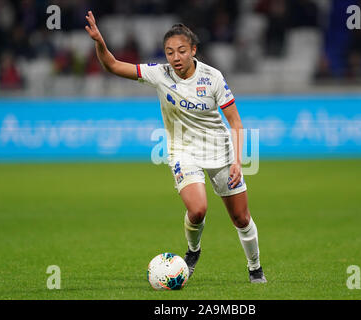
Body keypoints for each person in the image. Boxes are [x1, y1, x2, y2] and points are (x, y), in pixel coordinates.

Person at [85, 11, 266, 283]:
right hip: (182, 151)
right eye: (170, 52)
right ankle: (193, 252)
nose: (176, 57)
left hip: (220, 151)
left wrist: (238, 162)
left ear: (194, 50)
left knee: (241, 218)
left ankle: (255, 268)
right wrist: (100, 41)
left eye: (181, 50)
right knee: (198, 210)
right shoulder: (159, 74)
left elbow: (236, 124)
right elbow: (112, 65)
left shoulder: (213, 78)